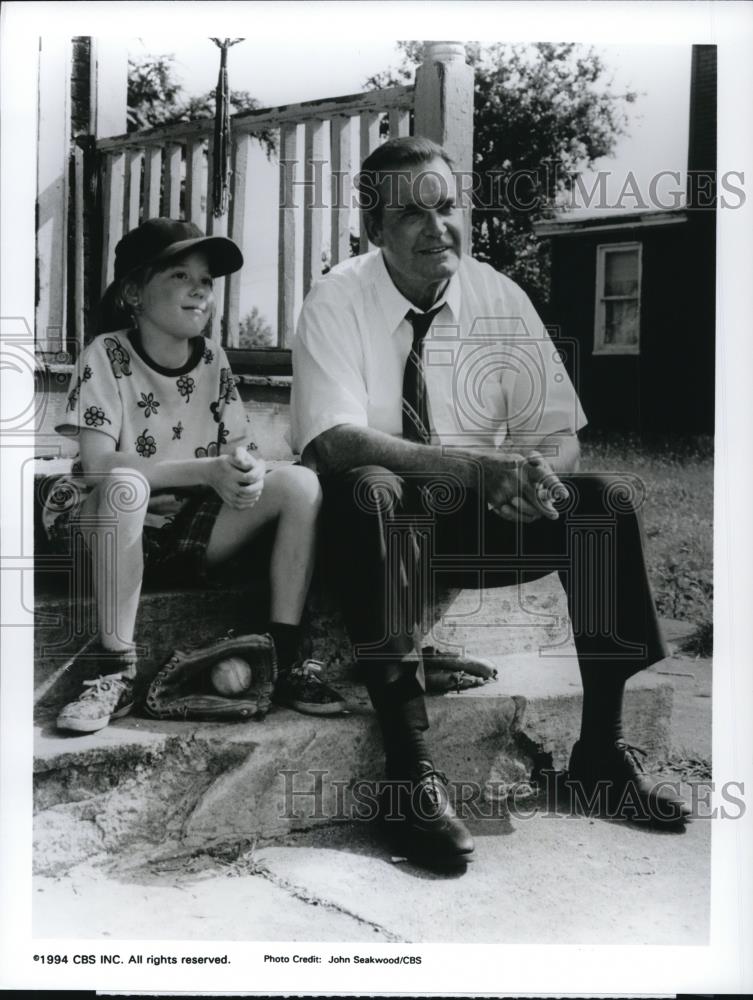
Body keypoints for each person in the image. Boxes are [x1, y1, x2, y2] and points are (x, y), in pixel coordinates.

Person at [290, 137, 690, 868]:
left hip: (476, 525)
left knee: (599, 504)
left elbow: (559, 435)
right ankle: (409, 775)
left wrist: (531, 477)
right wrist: (477, 468)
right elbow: (332, 442)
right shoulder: (336, 297)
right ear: (373, 228)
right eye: (409, 212)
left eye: (446, 206)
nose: (435, 226)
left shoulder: (497, 296)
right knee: (369, 486)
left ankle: (599, 754)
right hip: (376, 533)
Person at [44, 218, 345, 734]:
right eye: (180, 275)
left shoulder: (214, 359)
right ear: (134, 293)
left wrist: (244, 470)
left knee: (301, 484)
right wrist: (202, 472)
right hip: (105, 529)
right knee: (126, 486)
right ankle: (115, 671)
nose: (200, 289)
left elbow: (235, 449)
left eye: (205, 279)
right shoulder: (106, 355)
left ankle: (285, 657)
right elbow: (96, 465)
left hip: (184, 531)